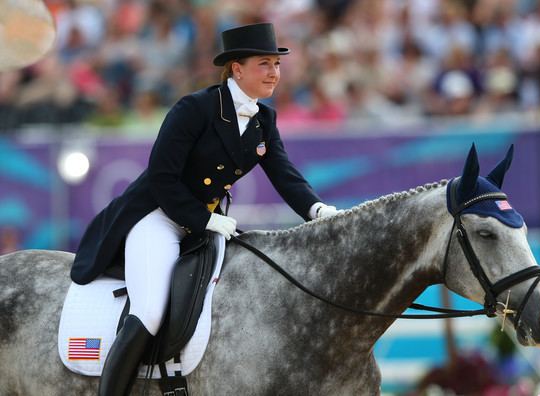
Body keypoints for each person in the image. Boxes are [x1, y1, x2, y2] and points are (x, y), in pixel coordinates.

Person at [70, 22, 340, 395]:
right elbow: (163, 179)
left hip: (204, 227)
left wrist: (317, 210)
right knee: (149, 310)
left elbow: (285, 175)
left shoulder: (264, 120)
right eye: (264, 64)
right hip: (158, 217)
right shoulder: (196, 108)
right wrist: (205, 219)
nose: (274, 73)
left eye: (276, 65)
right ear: (237, 68)